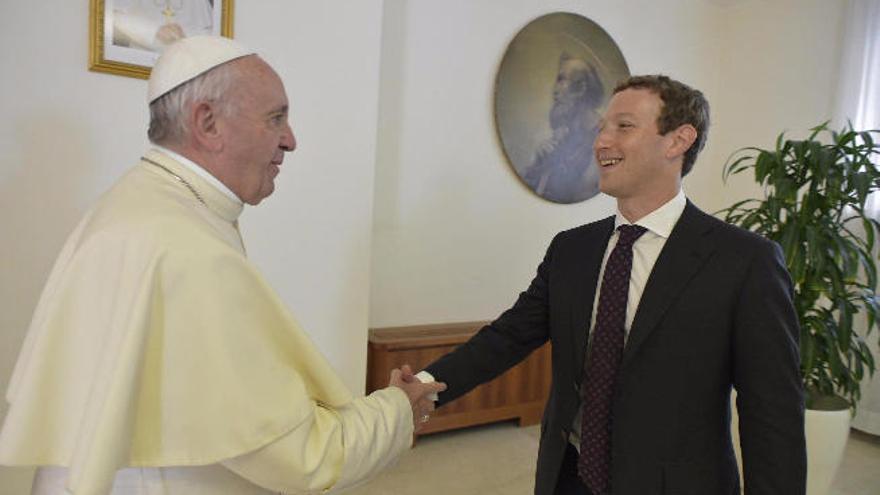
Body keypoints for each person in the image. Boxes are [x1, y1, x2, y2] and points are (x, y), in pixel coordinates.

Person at [0, 36, 444, 495]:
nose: (291, 140)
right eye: (276, 118)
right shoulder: (185, 250)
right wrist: (397, 410)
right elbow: (303, 455)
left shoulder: (138, 202)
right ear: (208, 123)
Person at [419, 75, 806, 494]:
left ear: (678, 140)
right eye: (601, 128)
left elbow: (772, 412)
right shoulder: (571, 249)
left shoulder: (745, 261)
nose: (601, 141)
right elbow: (509, 335)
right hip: (568, 474)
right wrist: (424, 387)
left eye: (623, 127)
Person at [523, 53, 604, 204]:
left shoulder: (605, 139)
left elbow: (582, 194)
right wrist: (538, 161)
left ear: (581, 88)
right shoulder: (564, 133)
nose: (554, 90)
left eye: (561, 80)